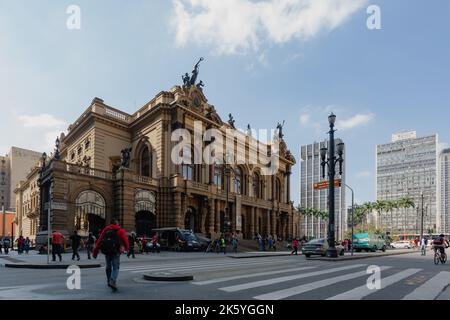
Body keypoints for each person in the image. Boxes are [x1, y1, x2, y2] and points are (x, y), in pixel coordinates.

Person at [93, 219, 129, 292]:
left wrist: (95, 252)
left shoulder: (105, 230)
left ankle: (109, 280)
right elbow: (125, 240)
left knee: (108, 267)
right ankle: (112, 281)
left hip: (107, 251)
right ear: (116, 223)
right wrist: (127, 249)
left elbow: (99, 240)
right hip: (116, 251)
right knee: (116, 267)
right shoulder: (120, 230)